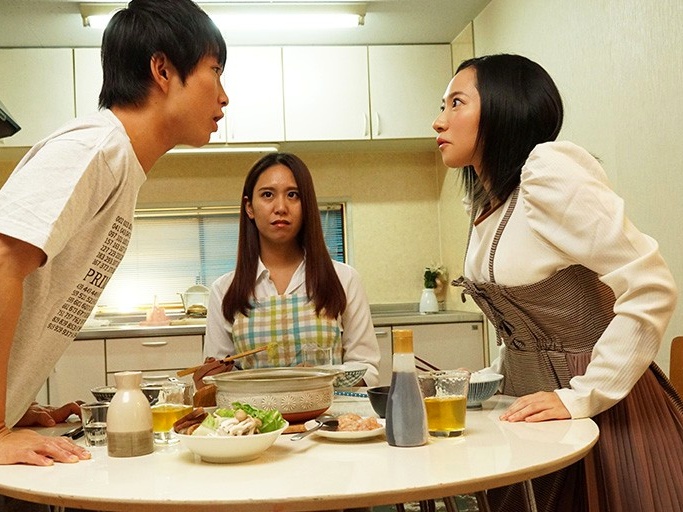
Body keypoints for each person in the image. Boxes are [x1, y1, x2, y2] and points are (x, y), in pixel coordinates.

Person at [433, 53, 682, 511]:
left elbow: (651, 283)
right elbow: (530, 331)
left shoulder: (549, 170)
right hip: (534, 414)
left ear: (504, 107)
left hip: (603, 413)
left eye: (456, 103)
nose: (439, 120)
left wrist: (583, 396)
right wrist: (489, 377)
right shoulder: (492, 202)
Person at [0, 0, 227, 471]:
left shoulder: (119, 164)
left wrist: (14, 406)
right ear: (163, 70)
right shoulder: (94, 148)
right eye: (215, 71)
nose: (224, 96)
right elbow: (1, 261)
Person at [197, 152, 380, 389]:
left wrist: (324, 377)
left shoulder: (344, 279)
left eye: (293, 195)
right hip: (254, 414)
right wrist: (207, 381)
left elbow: (367, 369)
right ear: (249, 207)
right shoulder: (224, 290)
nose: (281, 207)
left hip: (329, 412)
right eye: (267, 195)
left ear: (306, 206)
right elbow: (218, 380)